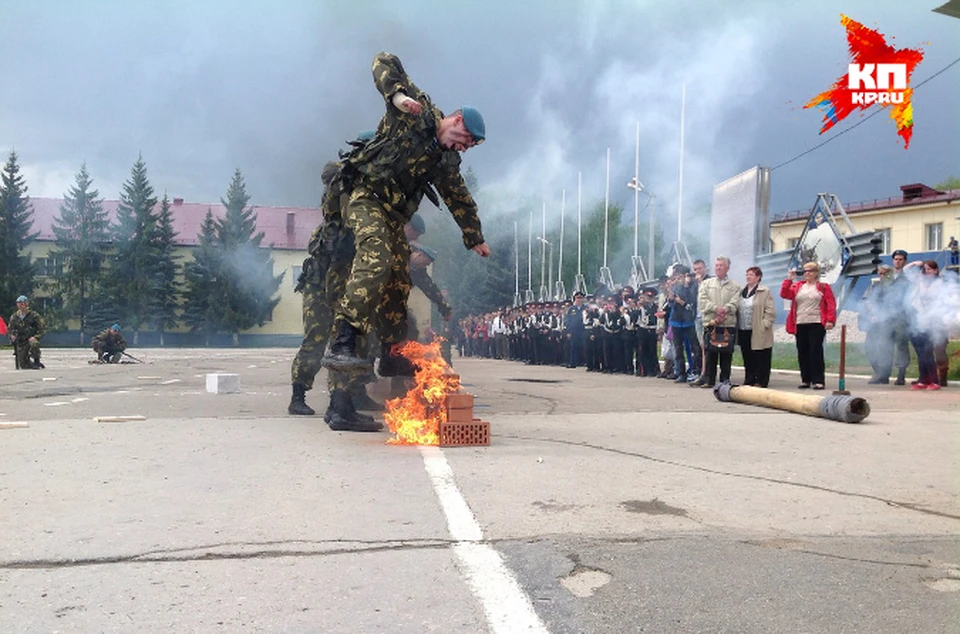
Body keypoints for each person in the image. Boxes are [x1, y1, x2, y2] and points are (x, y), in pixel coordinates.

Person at [323, 51, 490, 378]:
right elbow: (383, 60)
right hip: (366, 197)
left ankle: (392, 353)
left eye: (469, 147)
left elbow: (459, 198)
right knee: (376, 257)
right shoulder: (417, 114)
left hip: (393, 217)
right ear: (456, 121)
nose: (464, 148)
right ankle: (343, 340)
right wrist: (397, 96)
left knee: (399, 278)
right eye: (465, 141)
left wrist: (475, 238)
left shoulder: (446, 161)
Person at [780, 261, 836, 390]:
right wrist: (789, 279)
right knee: (802, 351)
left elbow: (831, 304)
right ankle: (805, 379)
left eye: (810, 271)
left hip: (816, 321)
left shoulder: (823, 286)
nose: (807, 273)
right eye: (805, 271)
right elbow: (784, 294)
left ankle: (818, 380)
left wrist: (830, 320)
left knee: (815, 350)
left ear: (816, 273)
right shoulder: (798, 286)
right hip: (800, 322)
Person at [697, 257, 741, 387]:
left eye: (721, 265)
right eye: (716, 265)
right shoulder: (706, 284)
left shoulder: (735, 286)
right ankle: (710, 381)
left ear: (727, 268)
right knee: (710, 353)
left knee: (726, 355)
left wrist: (725, 309)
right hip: (712, 324)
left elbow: (736, 301)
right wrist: (716, 309)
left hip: (727, 324)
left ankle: (725, 381)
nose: (718, 267)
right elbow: (703, 300)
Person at [905, 260, 945, 390]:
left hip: (932, 321)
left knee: (927, 351)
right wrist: (915, 264)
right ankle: (923, 379)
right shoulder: (920, 281)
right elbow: (906, 271)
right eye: (925, 269)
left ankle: (935, 381)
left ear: (935, 270)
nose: (926, 272)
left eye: (929, 269)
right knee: (921, 352)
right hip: (919, 319)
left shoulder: (940, 284)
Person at [736, 267, 776, 387]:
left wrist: (764, 325)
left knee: (760, 355)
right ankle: (749, 378)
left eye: (751, 275)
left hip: (758, 329)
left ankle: (761, 380)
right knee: (747, 355)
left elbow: (770, 311)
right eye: (747, 275)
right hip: (744, 328)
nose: (748, 277)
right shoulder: (741, 291)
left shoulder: (764, 291)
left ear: (758, 277)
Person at [8, 295, 45, 370]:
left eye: (23, 303)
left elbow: (42, 328)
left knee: (34, 343)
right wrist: (12, 336)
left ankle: (36, 361)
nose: (21, 306)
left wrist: (36, 337)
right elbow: (10, 329)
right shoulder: (14, 317)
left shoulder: (34, 315)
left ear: (27, 304)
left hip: (30, 339)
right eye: (19, 303)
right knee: (24, 365)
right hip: (21, 341)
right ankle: (32, 364)